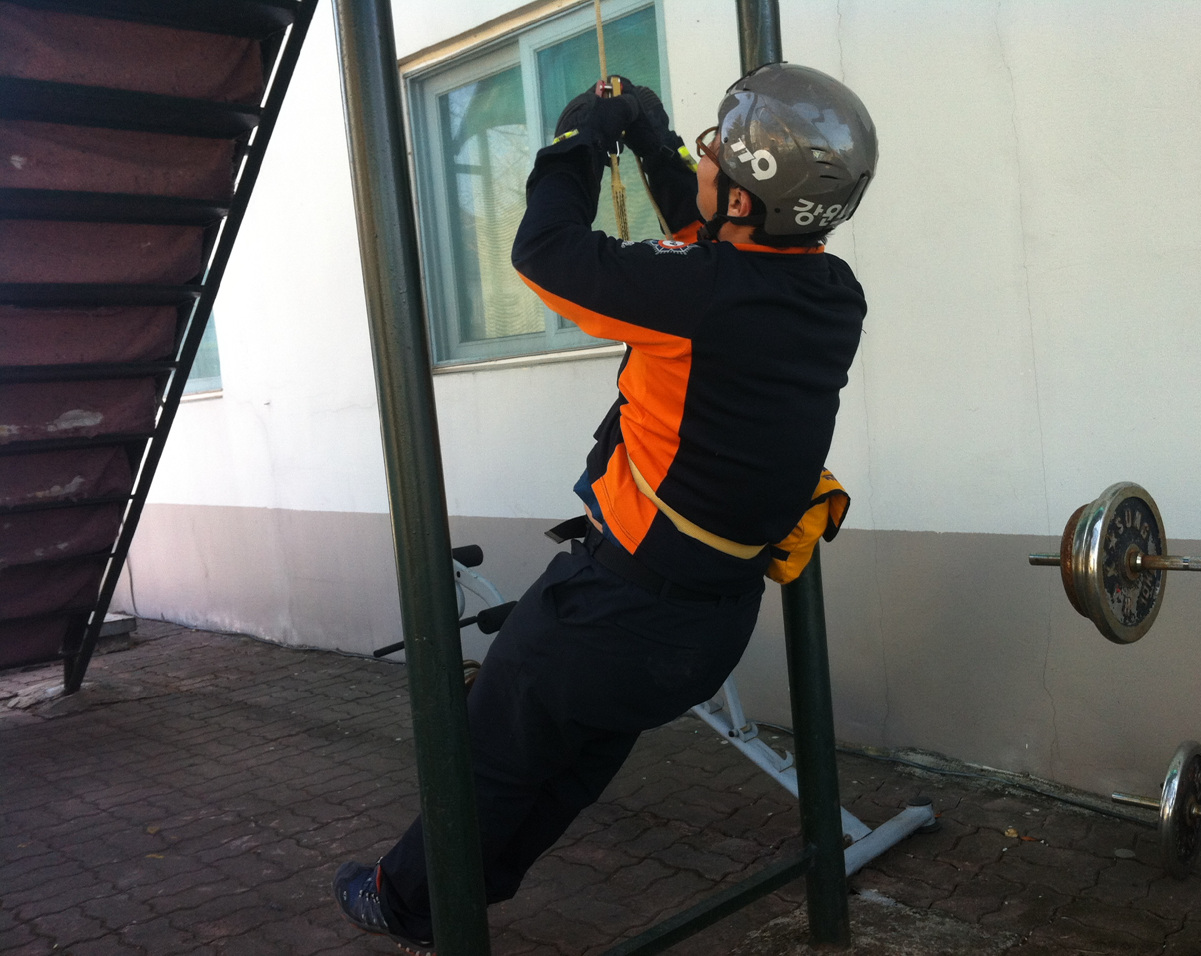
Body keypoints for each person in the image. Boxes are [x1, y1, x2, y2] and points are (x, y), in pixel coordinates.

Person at [333, 61, 878, 953]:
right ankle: (460, 899)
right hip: (708, 626)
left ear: (746, 200)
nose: (704, 156)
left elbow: (545, 253)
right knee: (564, 771)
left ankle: (403, 900)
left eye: (714, 150)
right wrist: (656, 143)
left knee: (483, 760)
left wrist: (582, 134)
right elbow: (713, 242)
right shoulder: (831, 292)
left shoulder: (698, 295)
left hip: (613, 609)